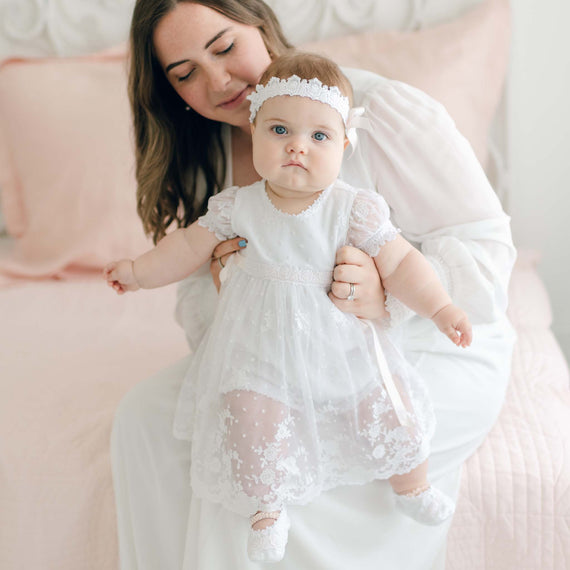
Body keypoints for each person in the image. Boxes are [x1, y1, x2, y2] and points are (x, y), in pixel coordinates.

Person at [110, 1, 516, 569]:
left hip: (418, 345)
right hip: (276, 353)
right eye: (186, 74)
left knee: (268, 483)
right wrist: (226, 287)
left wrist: (386, 297)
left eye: (224, 48)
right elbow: (194, 299)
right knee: (145, 420)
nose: (218, 79)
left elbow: (488, 248)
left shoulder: (373, 111)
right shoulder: (207, 150)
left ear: (261, 24)